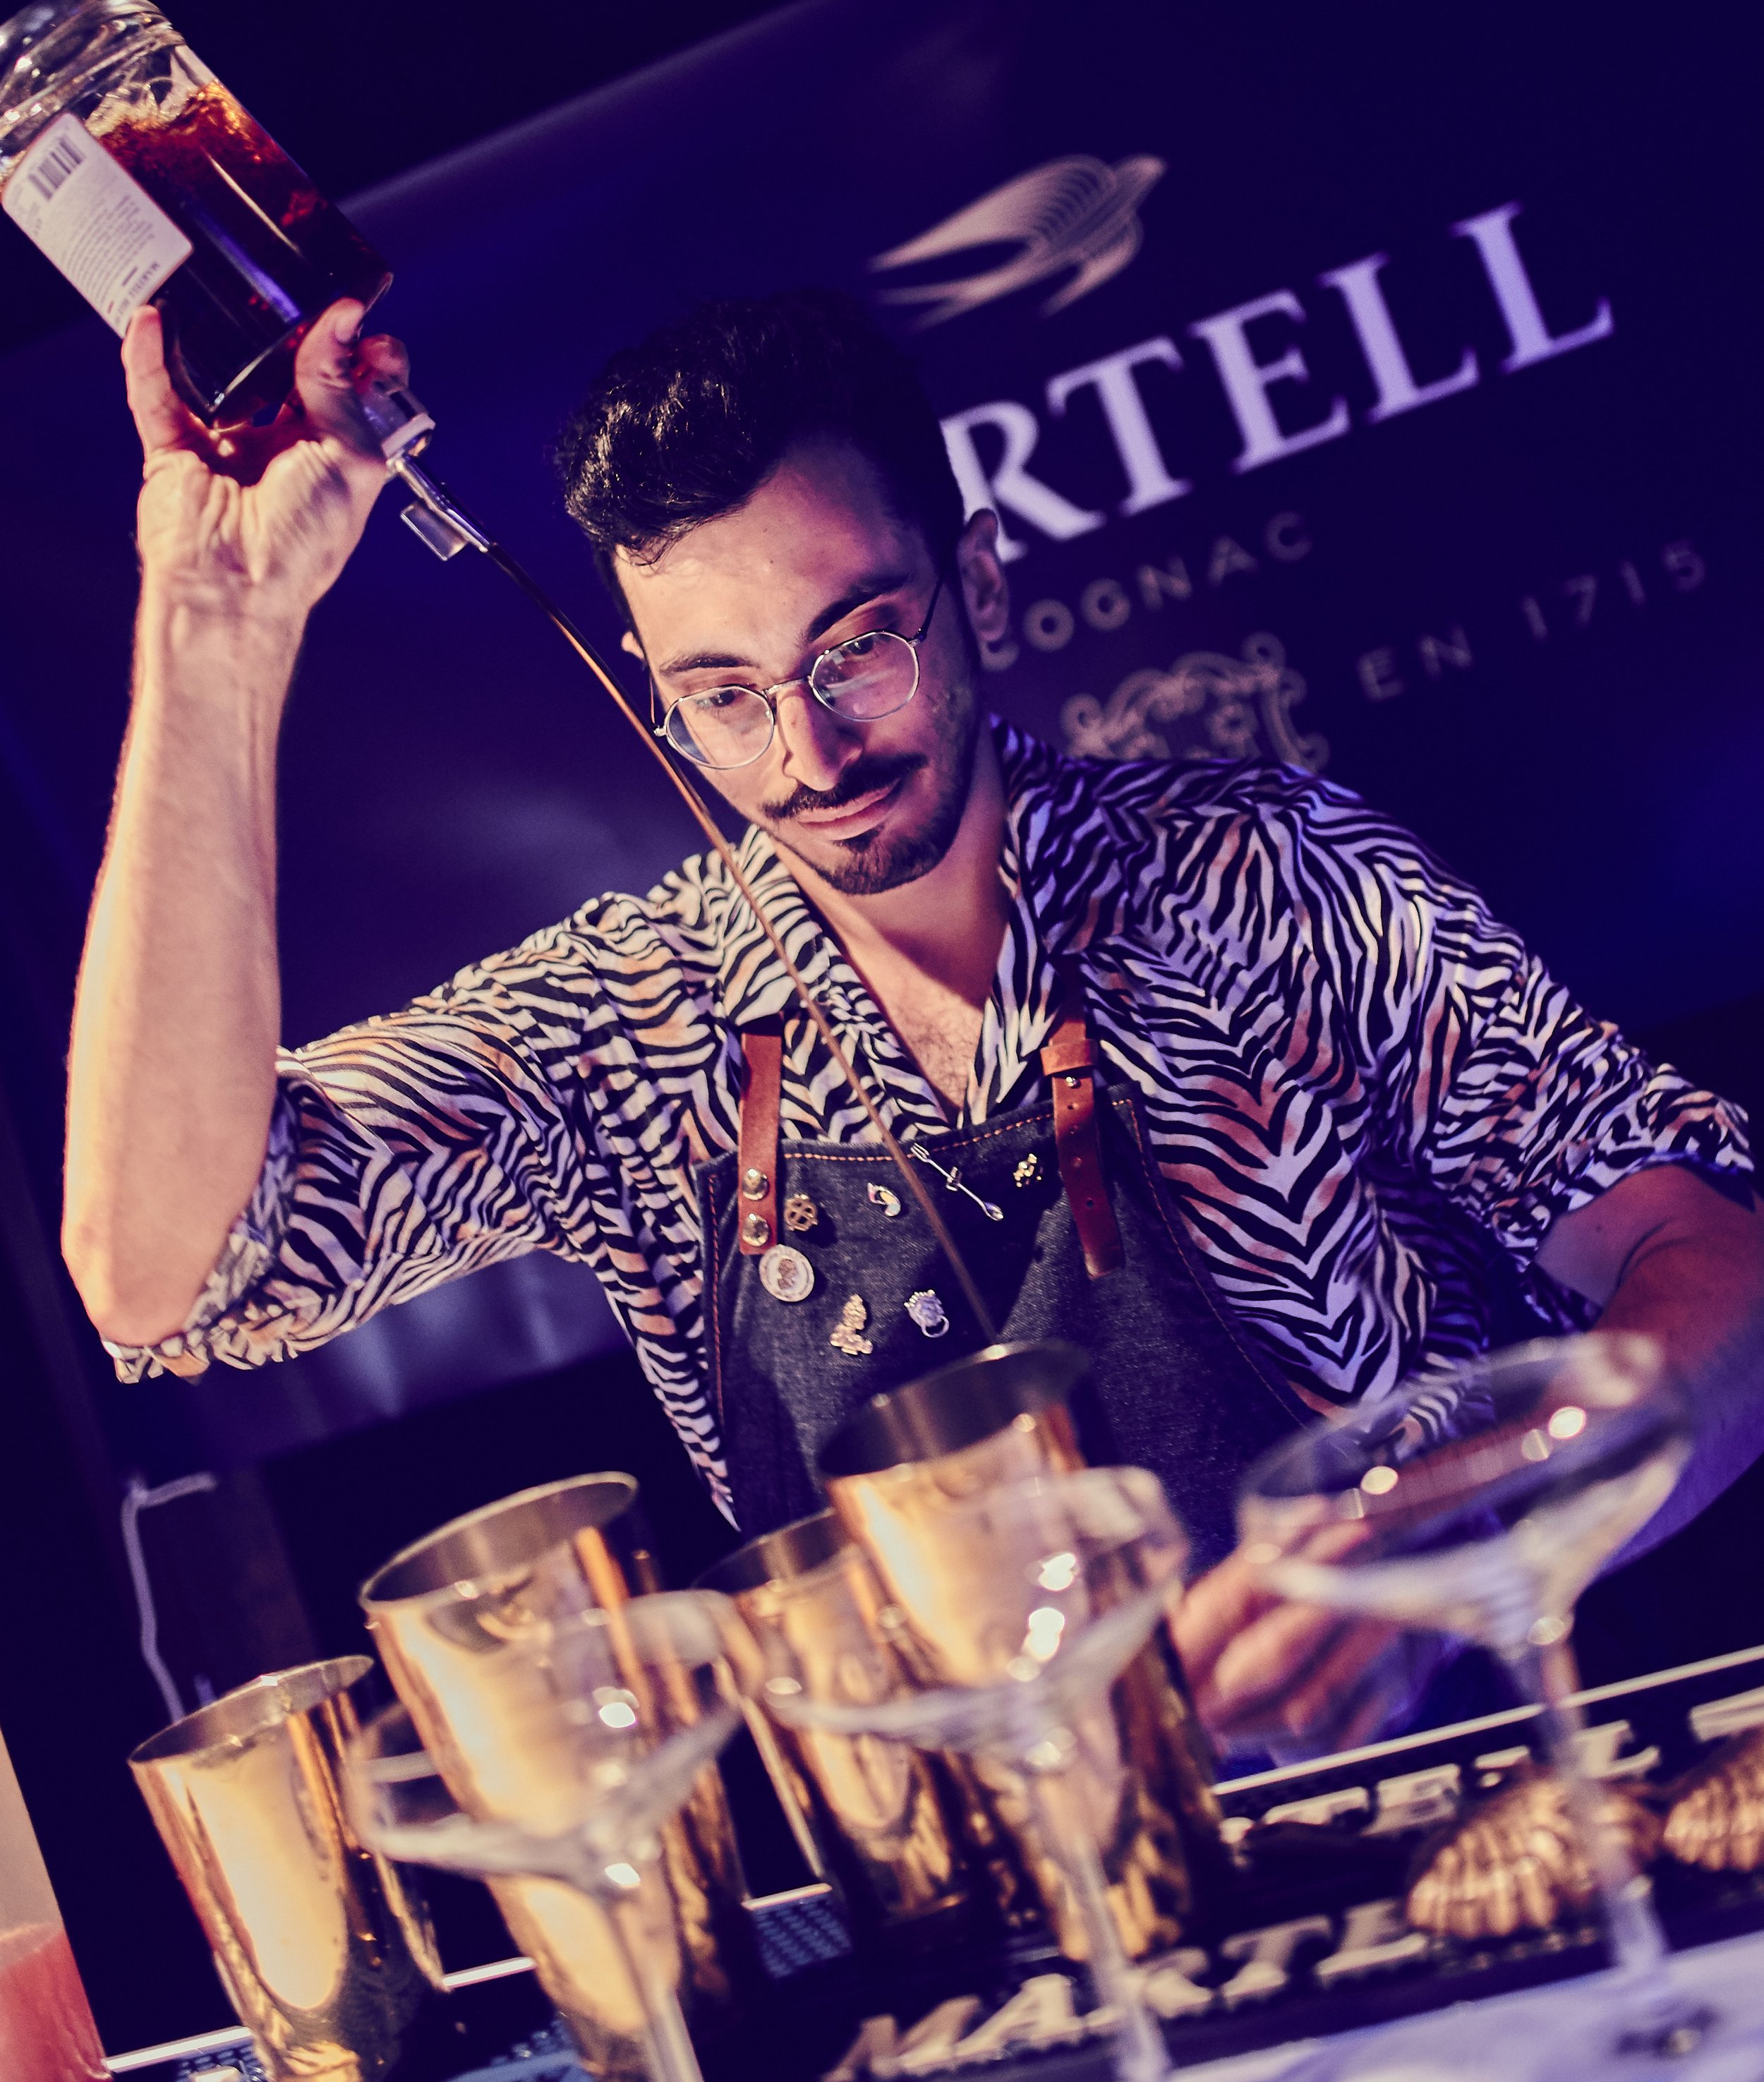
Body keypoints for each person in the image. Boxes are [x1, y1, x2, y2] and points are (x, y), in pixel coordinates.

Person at [63, 288, 1764, 1757]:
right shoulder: (629, 1030)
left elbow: (1714, 1266)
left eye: (855, 645)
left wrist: (1441, 1535)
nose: (805, 753)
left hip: (1462, 1826)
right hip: (1007, 1944)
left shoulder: (1258, 877)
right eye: (722, 698)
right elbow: (167, 1269)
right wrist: (215, 619)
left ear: (981, 586)